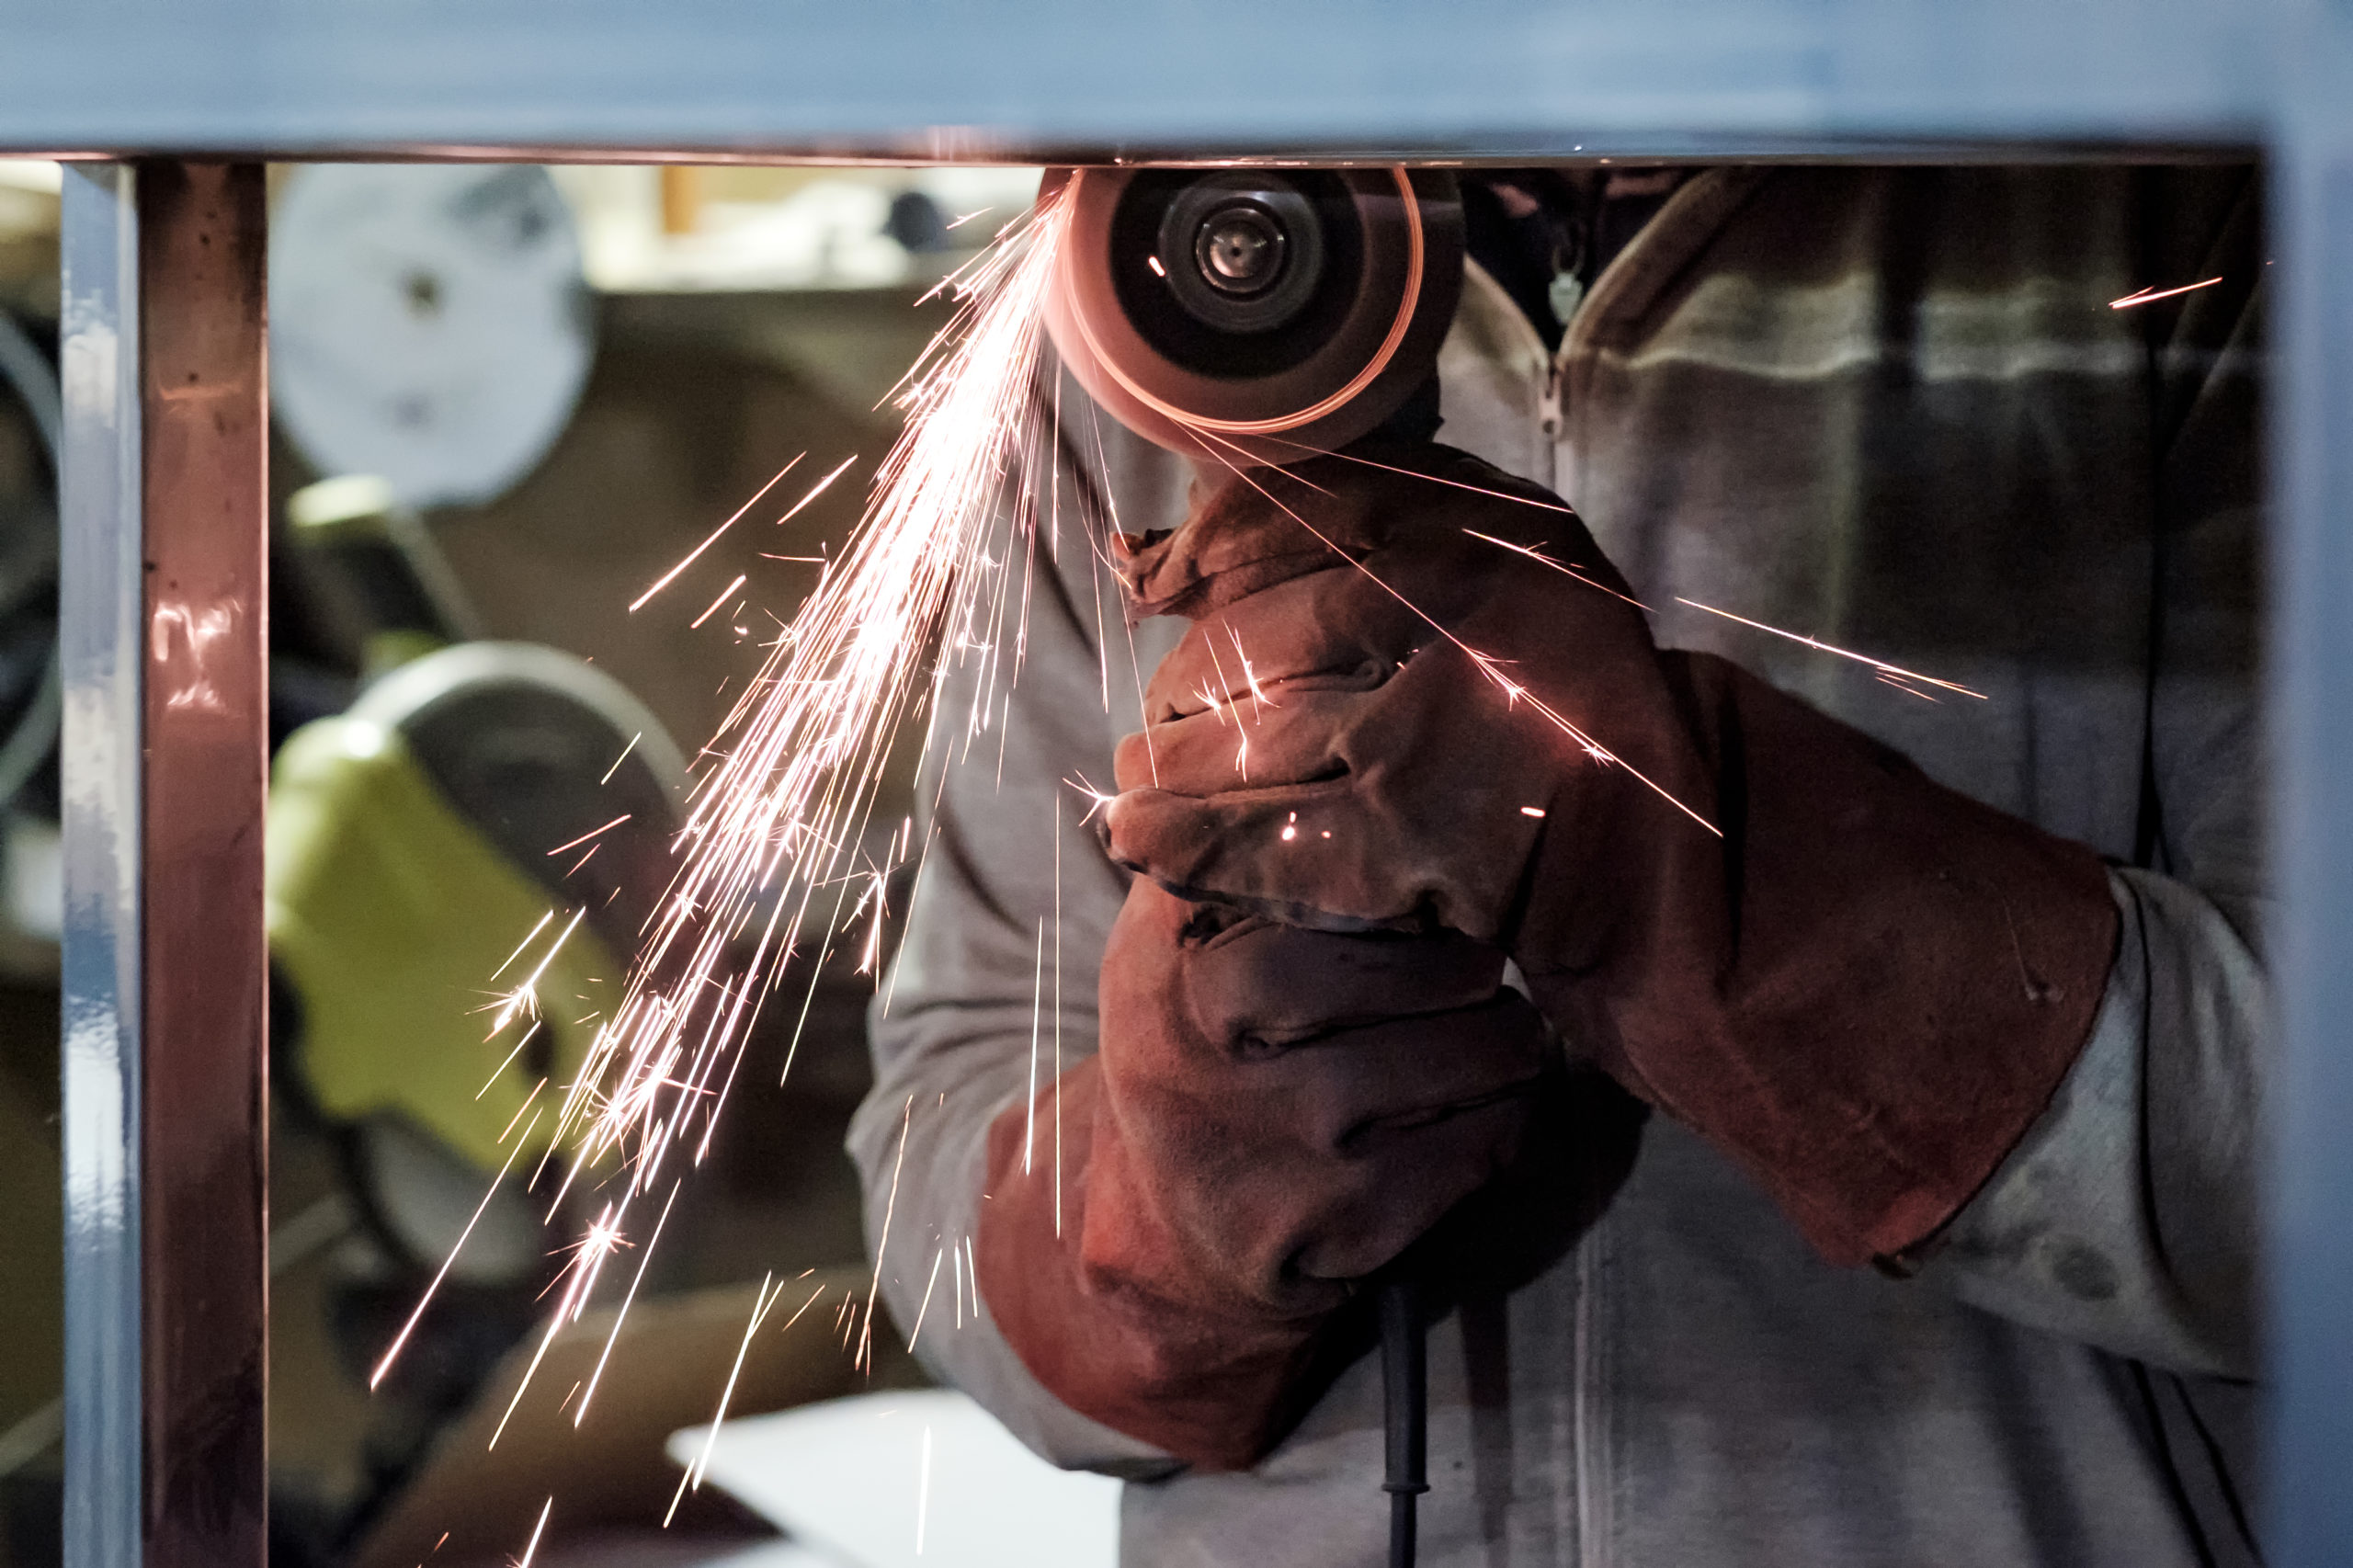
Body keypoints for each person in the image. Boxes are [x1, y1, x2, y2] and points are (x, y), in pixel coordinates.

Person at [852, 165, 2266, 1566]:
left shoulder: (2171, 203)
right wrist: (1152, 1220)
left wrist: (1696, 881)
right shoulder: (1136, 285)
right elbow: (944, 1129)